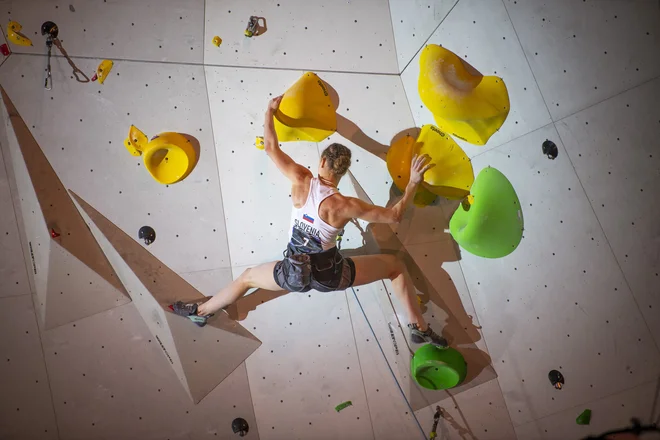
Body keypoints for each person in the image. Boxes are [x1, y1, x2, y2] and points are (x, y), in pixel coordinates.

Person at [172, 96, 448, 347]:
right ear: (342, 172)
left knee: (246, 278)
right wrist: (412, 183)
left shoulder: (301, 180)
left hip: (293, 273)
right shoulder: (348, 205)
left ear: (322, 163)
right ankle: (419, 327)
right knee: (396, 266)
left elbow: (270, 147)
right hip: (331, 277)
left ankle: (202, 312)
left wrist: (268, 111)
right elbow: (395, 215)